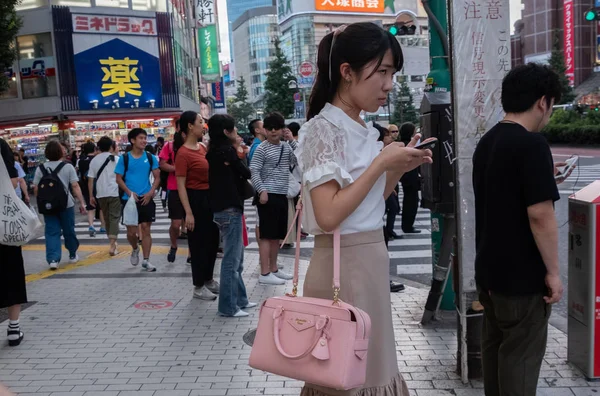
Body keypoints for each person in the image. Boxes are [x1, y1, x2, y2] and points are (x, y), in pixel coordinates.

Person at [296, 22, 433, 395]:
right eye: (383, 72)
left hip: (368, 258)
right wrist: (380, 163)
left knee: (371, 369)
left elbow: (367, 202)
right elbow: (328, 215)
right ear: (347, 72)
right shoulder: (323, 130)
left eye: (393, 73)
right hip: (345, 267)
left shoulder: (361, 128)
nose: (389, 84)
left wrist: (397, 166)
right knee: (351, 377)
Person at [473, 63, 566, 396]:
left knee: (497, 352)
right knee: (520, 360)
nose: (550, 114)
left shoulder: (488, 142)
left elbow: (503, 195)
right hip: (522, 280)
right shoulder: (532, 144)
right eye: (552, 106)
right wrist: (554, 273)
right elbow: (540, 215)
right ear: (543, 102)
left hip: (489, 274)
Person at [206, 114, 257, 317]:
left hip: (221, 208)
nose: (237, 132)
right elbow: (246, 173)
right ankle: (228, 307)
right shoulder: (227, 150)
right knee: (231, 261)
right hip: (230, 209)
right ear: (227, 132)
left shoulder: (213, 151)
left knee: (236, 259)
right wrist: (237, 152)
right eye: (234, 129)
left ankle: (241, 300)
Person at [175, 111, 220, 300]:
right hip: (194, 199)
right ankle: (198, 286)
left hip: (209, 198)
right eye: (200, 122)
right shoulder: (182, 154)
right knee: (198, 244)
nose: (204, 125)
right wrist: (188, 213)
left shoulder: (202, 147)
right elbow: (181, 186)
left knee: (212, 241)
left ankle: (209, 279)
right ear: (190, 127)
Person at [250, 112, 296, 286]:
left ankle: (274, 268)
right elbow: (254, 171)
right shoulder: (262, 148)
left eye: (277, 128)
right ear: (265, 130)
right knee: (266, 236)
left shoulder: (286, 147)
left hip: (281, 195)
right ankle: (265, 272)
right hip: (267, 196)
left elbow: (299, 160)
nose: (273, 131)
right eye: (270, 128)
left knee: (277, 235)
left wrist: (291, 140)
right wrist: (262, 190)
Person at [33, 140, 86, 270]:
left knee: (51, 232)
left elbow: (36, 188)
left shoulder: (40, 168)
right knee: (69, 230)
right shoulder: (67, 167)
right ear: (60, 152)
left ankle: (53, 259)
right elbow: (75, 186)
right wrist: (82, 203)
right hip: (66, 204)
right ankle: (72, 254)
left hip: (48, 206)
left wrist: (43, 201)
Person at [115, 128, 161, 272]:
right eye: (141, 138)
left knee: (146, 229)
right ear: (133, 140)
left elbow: (157, 177)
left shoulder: (150, 157)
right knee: (131, 232)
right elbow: (118, 178)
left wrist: (151, 192)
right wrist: (129, 193)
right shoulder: (124, 158)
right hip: (129, 200)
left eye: (145, 138)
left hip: (146, 198)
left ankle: (146, 260)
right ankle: (135, 248)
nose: (144, 141)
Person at [0, 138, 27, 347]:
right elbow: (14, 181)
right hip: (4, 222)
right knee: (11, 271)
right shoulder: (1, 145)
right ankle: (14, 327)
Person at [88, 136, 121, 256]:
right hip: (114, 192)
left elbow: (90, 179)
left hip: (101, 193)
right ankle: (113, 244)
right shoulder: (117, 159)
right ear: (111, 147)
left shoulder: (94, 160)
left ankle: (112, 242)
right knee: (114, 217)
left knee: (107, 218)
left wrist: (91, 195)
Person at [159, 129, 185, 263]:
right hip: (174, 188)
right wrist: (177, 169)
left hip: (192, 188)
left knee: (193, 224)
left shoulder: (197, 146)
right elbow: (162, 164)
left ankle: (192, 254)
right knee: (176, 224)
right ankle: (174, 245)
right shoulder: (169, 146)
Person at [78, 141, 105, 237]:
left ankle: (91, 225)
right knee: (101, 206)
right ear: (95, 149)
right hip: (98, 184)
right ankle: (103, 226)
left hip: (85, 186)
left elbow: (79, 172)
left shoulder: (80, 160)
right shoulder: (97, 159)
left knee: (90, 206)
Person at [399, 122, 421, 234]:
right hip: (410, 178)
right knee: (411, 202)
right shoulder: (409, 145)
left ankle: (406, 225)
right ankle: (408, 226)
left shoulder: (400, 144)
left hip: (405, 177)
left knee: (409, 201)